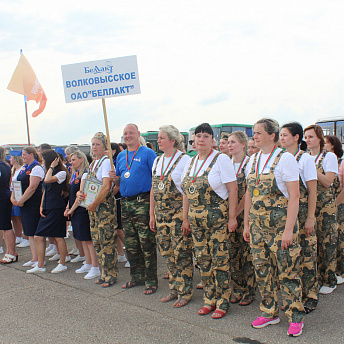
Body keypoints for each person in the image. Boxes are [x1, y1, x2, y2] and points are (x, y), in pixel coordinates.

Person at [243, 118, 305, 337]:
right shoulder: (252, 160)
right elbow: (249, 192)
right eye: (253, 133)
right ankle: (269, 311)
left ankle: (295, 316)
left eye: (258, 133)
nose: (254, 137)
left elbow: (295, 196)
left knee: (288, 272)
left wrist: (289, 231)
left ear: (272, 135)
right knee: (262, 271)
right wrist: (247, 224)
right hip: (258, 228)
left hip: (280, 228)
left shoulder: (285, 159)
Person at [182, 123, 238, 319]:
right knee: (203, 260)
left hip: (217, 220)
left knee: (220, 261)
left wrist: (232, 218)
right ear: (194, 139)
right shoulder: (191, 161)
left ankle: (223, 301)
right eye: (198, 136)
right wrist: (185, 218)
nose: (201, 139)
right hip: (196, 221)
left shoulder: (220, 159)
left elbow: (233, 189)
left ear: (212, 140)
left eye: (206, 136)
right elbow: (186, 193)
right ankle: (209, 298)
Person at [149, 125, 193, 307]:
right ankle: (174, 289)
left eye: (162, 137)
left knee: (181, 253)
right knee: (168, 253)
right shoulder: (158, 161)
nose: (158, 140)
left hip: (177, 214)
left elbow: (186, 192)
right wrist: (151, 214)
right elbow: (153, 188)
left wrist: (185, 217)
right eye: (158, 137)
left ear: (173, 141)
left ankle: (185, 292)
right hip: (161, 215)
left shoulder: (184, 160)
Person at [112, 123, 158, 295]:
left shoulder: (148, 153)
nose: (128, 136)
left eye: (131, 133)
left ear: (138, 134)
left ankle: (151, 280)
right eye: (125, 133)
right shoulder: (122, 156)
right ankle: (136, 276)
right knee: (131, 244)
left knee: (146, 243)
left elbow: (156, 178)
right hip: (126, 203)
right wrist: (114, 178)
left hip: (143, 203)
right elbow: (120, 180)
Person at [280, 122, 318, 313]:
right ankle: (295, 296)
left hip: (303, 213)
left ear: (297, 137)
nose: (281, 138)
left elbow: (312, 191)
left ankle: (310, 296)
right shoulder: (281, 158)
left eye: (285, 135)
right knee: (293, 258)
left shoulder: (305, 159)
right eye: (280, 135)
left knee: (307, 255)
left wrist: (310, 217)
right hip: (288, 214)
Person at [78, 132, 117, 287]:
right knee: (97, 241)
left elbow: (106, 186)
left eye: (97, 144)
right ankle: (104, 272)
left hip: (103, 207)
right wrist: (81, 194)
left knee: (106, 240)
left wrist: (94, 204)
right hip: (92, 207)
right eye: (92, 144)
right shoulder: (94, 163)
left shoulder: (106, 162)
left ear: (104, 147)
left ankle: (111, 275)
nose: (94, 147)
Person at [304, 125, 338, 294]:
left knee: (327, 242)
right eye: (305, 137)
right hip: (310, 204)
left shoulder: (328, 157)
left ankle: (330, 279)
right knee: (312, 244)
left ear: (319, 138)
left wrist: (311, 168)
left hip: (325, 206)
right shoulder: (305, 156)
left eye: (310, 137)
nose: (307, 140)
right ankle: (315, 278)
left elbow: (328, 181)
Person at [26, 150, 69, 274]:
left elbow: (47, 180)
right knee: (39, 236)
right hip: (47, 206)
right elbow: (45, 190)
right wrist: (41, 205)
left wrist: (51, 167)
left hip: (56, 207)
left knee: (58, 236)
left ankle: (62, 263)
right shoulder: (48, 171)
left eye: (44, 160)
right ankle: (40, 265)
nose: (42, 162)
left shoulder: (61, 172)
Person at [228, 131, 255, 306]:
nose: (230, 145)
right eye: (228, 142)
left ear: (243, 145)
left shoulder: (249, 164)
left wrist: (235, 214)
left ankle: (249, 291)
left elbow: (248, 193)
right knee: (233, 253)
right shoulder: (227, 163)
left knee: (246, 255)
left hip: (244, 215)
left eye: (233, 142)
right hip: (230, 216)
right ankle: (237, 288)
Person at [65, 150, 100, 279]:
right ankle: (88, 262)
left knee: (88, 239)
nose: (71, 162)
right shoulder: (75, 174)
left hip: (82, 210)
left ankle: (95, 266)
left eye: (74, 160)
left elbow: (81, 196)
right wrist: (68, 207)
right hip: (75, 209)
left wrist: (71, 209)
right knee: (82, 239)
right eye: (71, 160)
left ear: (81, 159)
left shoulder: (85, 174)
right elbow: (73, 195)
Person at [12, 146, 45, 267]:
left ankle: (40, 259)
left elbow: (32, 187)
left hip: (33, 203)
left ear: (31, 155)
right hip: (24, 203)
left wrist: (21, 200)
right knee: (29, 232)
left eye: (24, 154)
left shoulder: (36, 168)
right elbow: (17, 184)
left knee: (35, 232)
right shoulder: (24, 168)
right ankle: (34, 257)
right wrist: (13, 197)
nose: (23, 157)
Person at [0, 147, 18, 264]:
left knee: (6, 226)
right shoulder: (6, 166)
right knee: (4, 226)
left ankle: (11, 252)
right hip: (5, 195)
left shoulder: (3, 166)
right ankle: (11, 252)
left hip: (2, 197)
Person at [111, 142, 127, 265]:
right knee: (115, 229)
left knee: (119, 228)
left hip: (116, 199)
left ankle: (130, 255)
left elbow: (117, 184)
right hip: (111, 199)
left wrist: (109, 195)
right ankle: (121, 254)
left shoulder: (116, 163)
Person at [9, 151, 25, 246]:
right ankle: (19, 236)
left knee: (21, 217)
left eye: (11, 157)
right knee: (15, 217)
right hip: (13, 194)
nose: (10, 159)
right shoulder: (14, 169)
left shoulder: (22, 169)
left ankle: (26, 237)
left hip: (20, 195)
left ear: (15, 158)